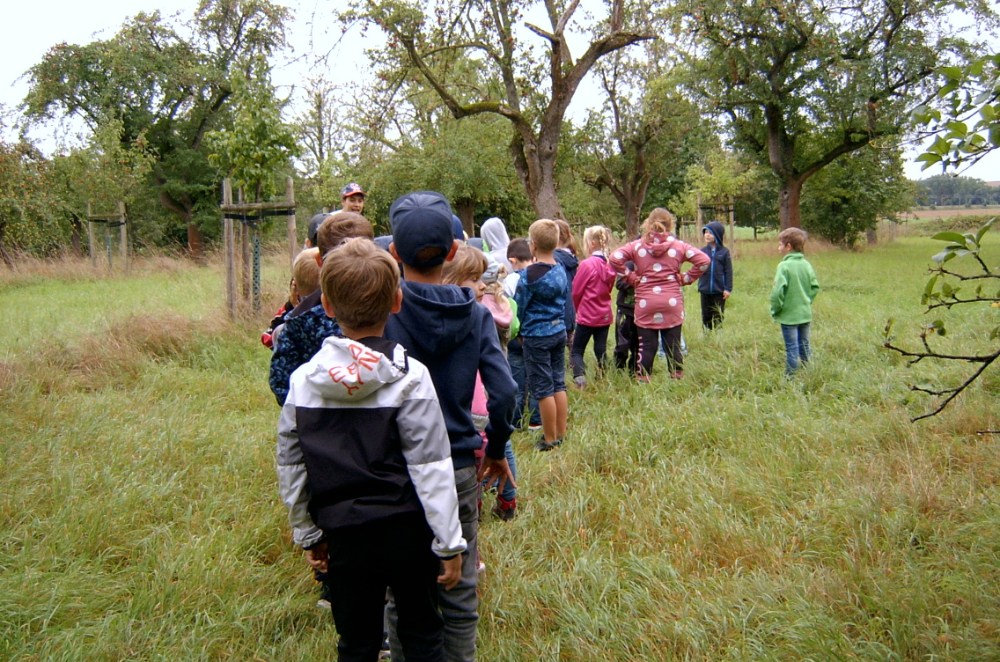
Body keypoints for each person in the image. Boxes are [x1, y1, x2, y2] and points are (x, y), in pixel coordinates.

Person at [277, 237, 466, 662]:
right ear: (396, 300)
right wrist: (450, 543)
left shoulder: (304, 382)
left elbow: (291, 463)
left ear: (326, 304)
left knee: (356, 642)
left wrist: (307, 531)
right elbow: (431, 465)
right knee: (422, 634)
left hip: (343, 534)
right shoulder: (411, 377)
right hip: (408, 532)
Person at [383, 191, 517, 662]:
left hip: (395, 470)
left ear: (393, 253)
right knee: (460, 590)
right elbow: (503, 394)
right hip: (458, 465)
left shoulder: (385, 314)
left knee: (403, 593)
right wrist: (497, 449)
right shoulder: (478, 315)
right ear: (457, 251)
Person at [442, 245, 519, 522]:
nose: (482, 286)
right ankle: (493, 504)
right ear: (450, 280)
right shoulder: (477, 316)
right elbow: (505, 388)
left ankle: (479, 508)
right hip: (479, 408)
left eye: (481, 279)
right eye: (473, 279)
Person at [269, 212, 374, 406]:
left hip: (316, 426)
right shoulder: (383, 306)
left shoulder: (299, 321)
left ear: (320, 260)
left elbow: (282, 386)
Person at [609, 208, 710, 380]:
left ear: (648, 224)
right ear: (670, 225)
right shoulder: (678, 246)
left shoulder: (637, 246)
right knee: (674, 345)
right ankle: (676, 379)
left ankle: (643, 380)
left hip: (645, 303)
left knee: (646, 346)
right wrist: (685, 278)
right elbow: (704, 261)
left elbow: (614, 258)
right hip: (671, 302)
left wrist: (631, 277)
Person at [515, 219, 571, 451]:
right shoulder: (560, 269)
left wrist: (518, 330)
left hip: (536, 336)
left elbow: (520, 304)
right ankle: (560, 431)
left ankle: (549, 439)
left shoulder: (528, 275)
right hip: (559, 331)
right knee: (558, 382)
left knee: (542, 387)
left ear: (533, 245)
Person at [569, 225, 615, 389]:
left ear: (593, 243)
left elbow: (576, 291)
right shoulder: (609, 264)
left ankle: (580, 379)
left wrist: (577, 309)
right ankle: (603, 378)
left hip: (587, 315)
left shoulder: (587, 265)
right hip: (604, 315)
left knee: (577, 350)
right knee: (600, 348)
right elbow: (609, 289)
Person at [770, 227, 820, 376]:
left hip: (789, 316)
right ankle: (808, 373)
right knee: (804, 345)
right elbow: (814, 287)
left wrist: (776, 309)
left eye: (780, 245)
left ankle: (790, 379)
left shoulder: (784, 266)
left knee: (791, 348)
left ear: (788, 246)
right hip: (804, 314)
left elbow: (777, 292)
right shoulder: (806, 264)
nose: (779, 248)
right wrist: (805, 301)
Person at [504, 238, 541, 431]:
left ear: (513, 260)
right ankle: (536, 421)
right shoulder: (537, 276)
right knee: (536, 381)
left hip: (515, 339)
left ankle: (515, 422)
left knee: (517, 385)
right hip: (535, 335)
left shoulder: (508, 281)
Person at [262, 248, 321, 350]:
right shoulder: (341, 322)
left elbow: (268, 338)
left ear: (295, 285)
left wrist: (291, 307)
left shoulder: (287, 331)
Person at [697, 221, 733, 330]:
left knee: (718, 315)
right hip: (705, 289)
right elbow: (697, 269)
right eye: (705, 232)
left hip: (719, 290)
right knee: (706, 316)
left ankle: (718, 336)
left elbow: (728, 271)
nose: (707, 235)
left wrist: (727, 289)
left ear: (717, 235)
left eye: (710, 233)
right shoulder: (702, 252)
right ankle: (707, 336)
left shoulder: (724, 252)